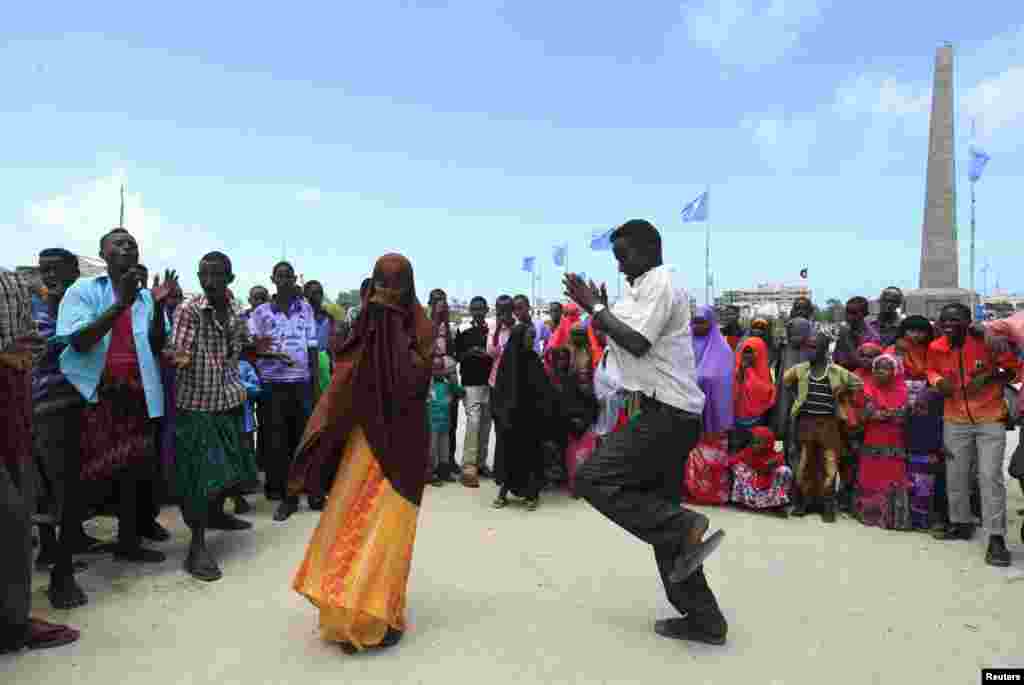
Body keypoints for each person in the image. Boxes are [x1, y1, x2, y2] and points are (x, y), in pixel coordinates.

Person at [564, 219, 726, 646]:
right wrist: (600, 311)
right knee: (660, 516)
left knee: (592, 478)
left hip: (669, 413)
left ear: (649, 249)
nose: (620, 267)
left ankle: (681, 525)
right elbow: (619, 334)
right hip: (661, 410)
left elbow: (636, 342)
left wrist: (595, 310)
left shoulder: (661, 283)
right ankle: (704, 618)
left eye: (624, 257)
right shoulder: (639, 289)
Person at [289, 253, 433, 652]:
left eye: (396, 283)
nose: (388, 292)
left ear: (408, 285)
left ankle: (375, 612)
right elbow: (345, 375)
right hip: (365, 442)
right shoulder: (364, 324)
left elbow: (414, 382)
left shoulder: (420, 325)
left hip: (402, 445)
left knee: (390, 528)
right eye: (381, 282)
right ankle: (348, 611)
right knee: (355, 521)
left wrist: (386, 326)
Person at [58, 228, 176, 563]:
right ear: (103, 253)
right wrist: (119, 303)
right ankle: (63, 565)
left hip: (137, 394)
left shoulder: (146, 297)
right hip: (96, 395)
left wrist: (158, 306)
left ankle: (128, 543)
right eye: (119, 244)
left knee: (133, 473)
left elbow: (155, 345)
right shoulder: (83, 290)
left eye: (133, 245)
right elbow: (78, 341)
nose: (128, 248)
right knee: (87, 478)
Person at [170, 252, 271, 581]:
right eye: (204, 275)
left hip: (226, 398)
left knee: (230, 468)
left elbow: (241, 346)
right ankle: (196, 548)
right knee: (200, 478)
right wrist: (177, 357)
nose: (209, 281)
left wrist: (261, 348)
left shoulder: (235, 309)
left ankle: (217, 515)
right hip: (197, 404)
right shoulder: (189, 310)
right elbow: (179, 350)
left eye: (216, 275)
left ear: (229, 277)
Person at [1, 269, 81, 653]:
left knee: (17, 518)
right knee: (12, 514)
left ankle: (12, 621)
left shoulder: (12, 283)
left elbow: (28, 344)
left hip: (14, 401)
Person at [927, 303, 1018, 567]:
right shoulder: (936, 347)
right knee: (956, 474)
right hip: (955, 420)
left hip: (990, 418)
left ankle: (996, 538)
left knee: (989, 477)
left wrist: (990, 378)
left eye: (955, 320)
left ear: (968, 321)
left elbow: (1013, 369)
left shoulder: (987, 342)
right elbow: (931, 370)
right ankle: (961, 522)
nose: (949, 324)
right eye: (944, 320)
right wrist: (936, 382)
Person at [31, 249, 93, 609]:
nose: (50, 276)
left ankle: (53, 554)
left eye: (57, 270)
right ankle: (62, 576)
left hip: (70, 403)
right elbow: (66, 345)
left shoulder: (77, 304)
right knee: (64, 490)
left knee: (60, 486)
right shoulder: (44, 309)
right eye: (45, 270)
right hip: (49, 405)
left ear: (74, 273)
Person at [248, 261, 321, 520]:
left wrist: (314, 385)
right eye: (280, 276)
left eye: (289, 276)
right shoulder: (261, 313)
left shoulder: (306, 309)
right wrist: (275, 355)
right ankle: (284, 495)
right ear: (273, 279)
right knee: (276, 440)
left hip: (301, 382)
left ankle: (310, 489)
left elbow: (312, 346)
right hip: (272, 384)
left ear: (294, 279)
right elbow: (254, 348)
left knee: (303, 438)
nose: (285, 280)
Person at [782, 331, 863, 522]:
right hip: (806, 421)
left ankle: (827, 505)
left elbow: (858, 384)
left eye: (813, 347)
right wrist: (799, 398)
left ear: (824, 350)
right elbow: (786, 381)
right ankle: (803, 502)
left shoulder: (835, 371)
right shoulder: (801, 369)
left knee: (829, 464)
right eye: (807, 347)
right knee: (804, 464)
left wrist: (843, 391)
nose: (809, 351)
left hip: (828, 423)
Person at [491, 323, 555, 511]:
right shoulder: (507, 361)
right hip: (510, 419)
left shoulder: (534, 359)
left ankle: (531, 494)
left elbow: (543, 389)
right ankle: (503, 493)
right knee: (508, 455)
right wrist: (502, 413)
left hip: (530, 419)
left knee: (530, 456)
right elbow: (500, 389)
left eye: (534, 336)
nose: (532, 340)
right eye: (529, 336)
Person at [855, 354, 912, 529]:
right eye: (878, 368)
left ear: (895, 372)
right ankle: (870, 514)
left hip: (894, 441)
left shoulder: (904, 390)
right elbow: (863, 415)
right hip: (872, 439)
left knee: (893, 476)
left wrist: (885, 414)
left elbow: (905, 416)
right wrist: (881, 414)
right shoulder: (867, 389)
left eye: (886, 368)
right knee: (871, 475)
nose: (881, 372)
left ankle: (892, 518)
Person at [685, 305, 735, 504]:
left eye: (702, 321)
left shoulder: (722, 348)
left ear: (711, 322)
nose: (697, 325)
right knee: (689, 454)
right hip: (687, 409)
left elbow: (720, 379)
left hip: (713, 414)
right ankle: (689, 491)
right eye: (694, 321)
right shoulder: (683, 344)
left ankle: (713, 494)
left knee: (710, 455)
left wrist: (699, 379)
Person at [454, 296, 493, 487]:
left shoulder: (491, 331)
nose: (478, 312)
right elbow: (456, 356)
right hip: (471, 383)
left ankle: (481, 462)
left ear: (486, 310)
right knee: (474, 422)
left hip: (489, 383)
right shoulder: (463, 331)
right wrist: (469, 354)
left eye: (481, 309)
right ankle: (468, 465)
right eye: (474, 309)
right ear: (470, 310)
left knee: (486, 423)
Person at [774, 317, 816, 467]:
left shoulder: (814, 351)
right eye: (792, 333)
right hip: (787, 403)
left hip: (808, 407)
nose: (795, 337)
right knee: (789, 444)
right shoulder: (784, 350)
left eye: (799, 333)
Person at [428, 294, 459, 482]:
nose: (442, 309)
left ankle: (447, 463)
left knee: (450, 420)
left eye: (444, 305)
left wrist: (445, 323)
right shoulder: (425, 324)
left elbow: (452, 351)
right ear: (431, 305)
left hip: (447, 371)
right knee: (431, 427)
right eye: (438, 305)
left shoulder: (449, 328)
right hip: (431, 374)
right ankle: (431, 467)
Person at [729, 427, 792, 515]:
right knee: (739, 467)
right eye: (753, 442)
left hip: (769, 483)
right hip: (752, 484)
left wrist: (772, 465)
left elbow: (779, 464)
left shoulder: (775, 455)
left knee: (785, 471)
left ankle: (777, 505)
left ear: (768, 443)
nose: (754, 445)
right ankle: (742, 501)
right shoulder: (748, 451)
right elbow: (732, 460)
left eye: (758, 442)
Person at [487, 295, 516, 485]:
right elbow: (491, 352)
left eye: (505, 310)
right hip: (496, 383)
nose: (502, 314)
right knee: (498, 427)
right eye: (499, 310)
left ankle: (513, 470)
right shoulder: (493, 329)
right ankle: (500, 470)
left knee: (512, 427)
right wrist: (497, 330)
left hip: (513, 385)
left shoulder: (519, 327)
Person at [427, 374, 465, 487]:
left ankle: (443, 471)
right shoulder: (428, 384)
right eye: (436, 368)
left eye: (441, 368)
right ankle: (430, 473)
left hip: (445, 422)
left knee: (444, 448)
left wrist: (453, 383)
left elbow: (461, 393)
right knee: (432, 448)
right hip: (432, 422)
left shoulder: (447, 384)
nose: (439, 372)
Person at [734, 337, 776, 431]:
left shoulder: (764, 374)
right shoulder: (735, 369)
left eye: (751, 352)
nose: (747, 355)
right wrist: (742, 371)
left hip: (756, 421)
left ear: (760, 353)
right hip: (735, 420)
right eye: (745, 351)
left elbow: (766, 394)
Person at [833, 297, 880, 372]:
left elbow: (864, 364)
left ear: (865, 314)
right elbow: (837, 359)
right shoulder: (845, 332)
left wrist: (847, 340)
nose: (848, 316)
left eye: (853, 313)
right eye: (847, 312)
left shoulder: (872, 337)